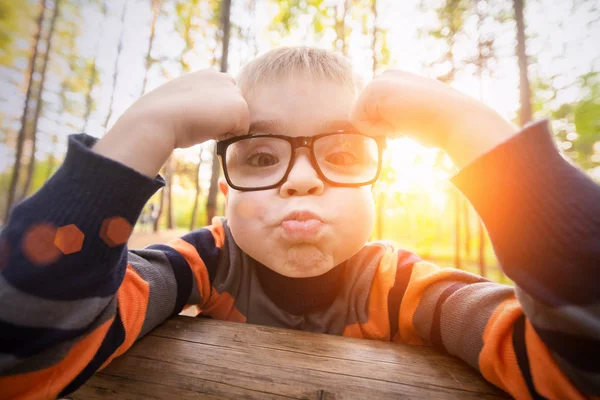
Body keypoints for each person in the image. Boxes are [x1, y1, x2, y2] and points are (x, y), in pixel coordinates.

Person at [1, 47, 598, 399]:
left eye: (341, 155)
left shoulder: (402, 286)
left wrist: (470, 129)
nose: (301, 180)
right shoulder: (203, 262)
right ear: (226, 182)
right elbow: (22, 356)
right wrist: (140, 132)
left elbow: (579, 362)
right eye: (261, 157)